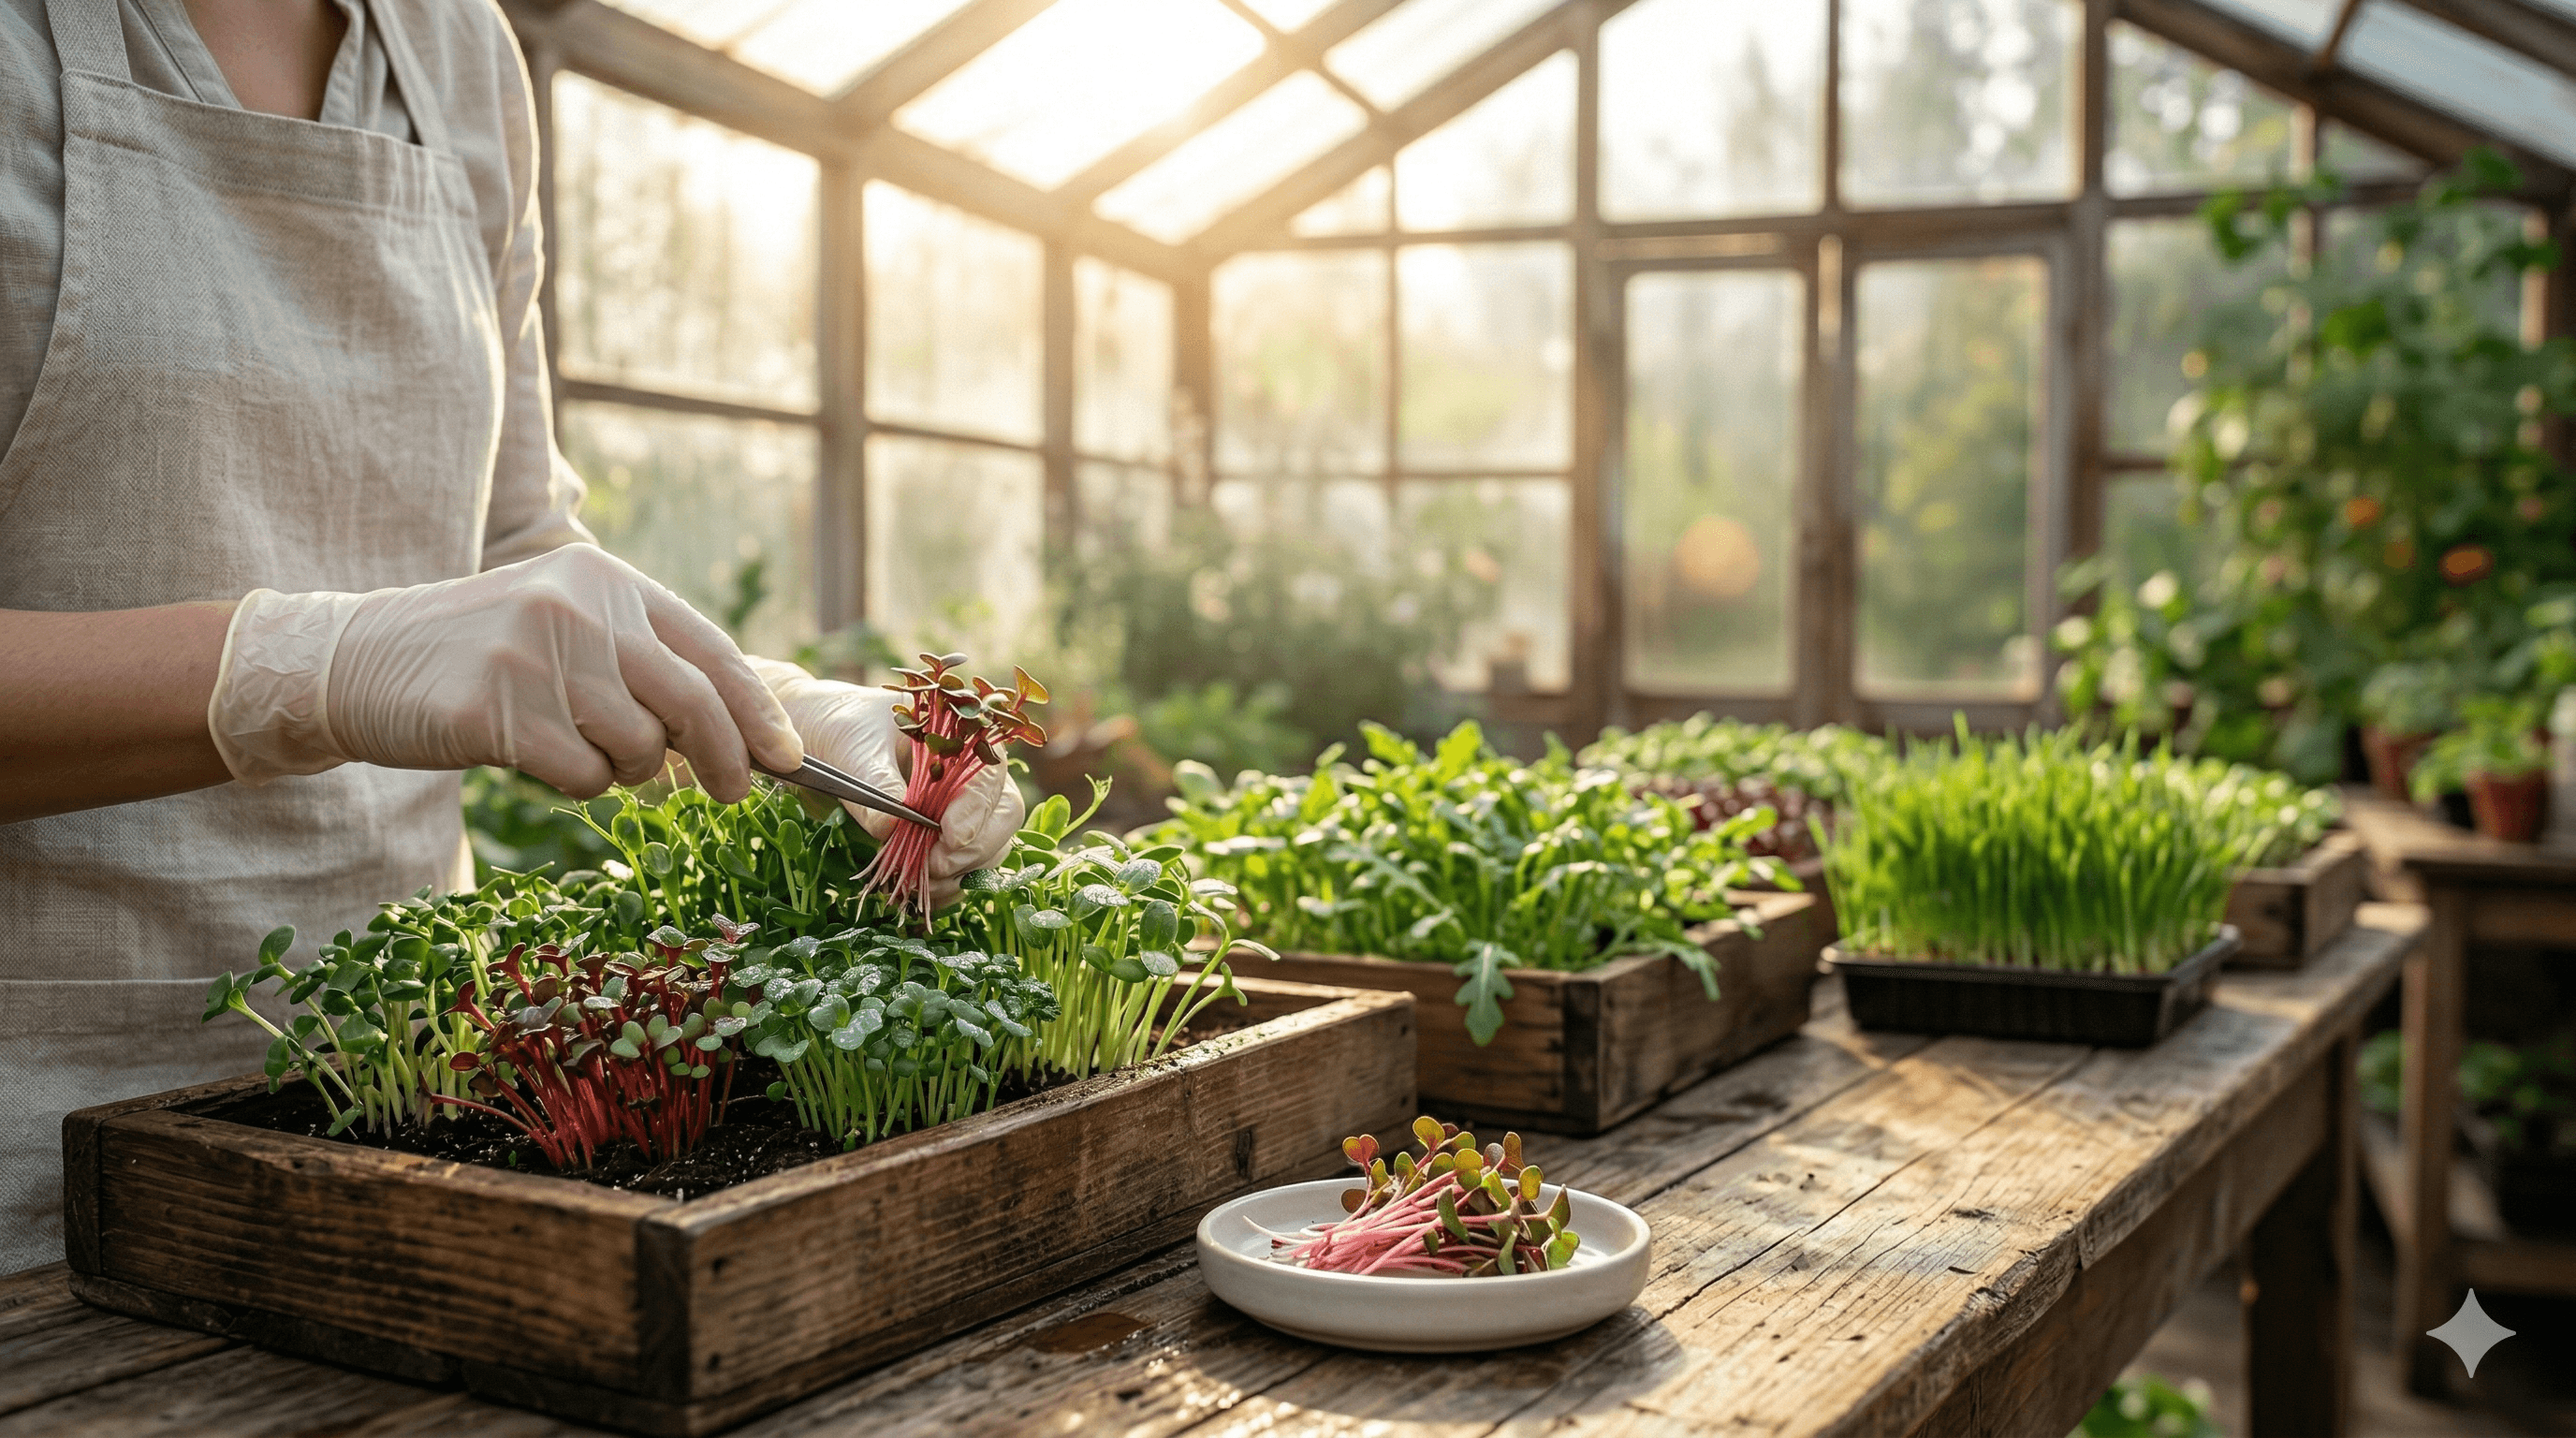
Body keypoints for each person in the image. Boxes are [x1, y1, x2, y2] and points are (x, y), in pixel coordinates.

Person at [0, 0, 1021, 1275]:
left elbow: (516, 536)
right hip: (35, 1169)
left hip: (423, 1107)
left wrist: (774, 702)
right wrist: (317, 670)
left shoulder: (455, 45)